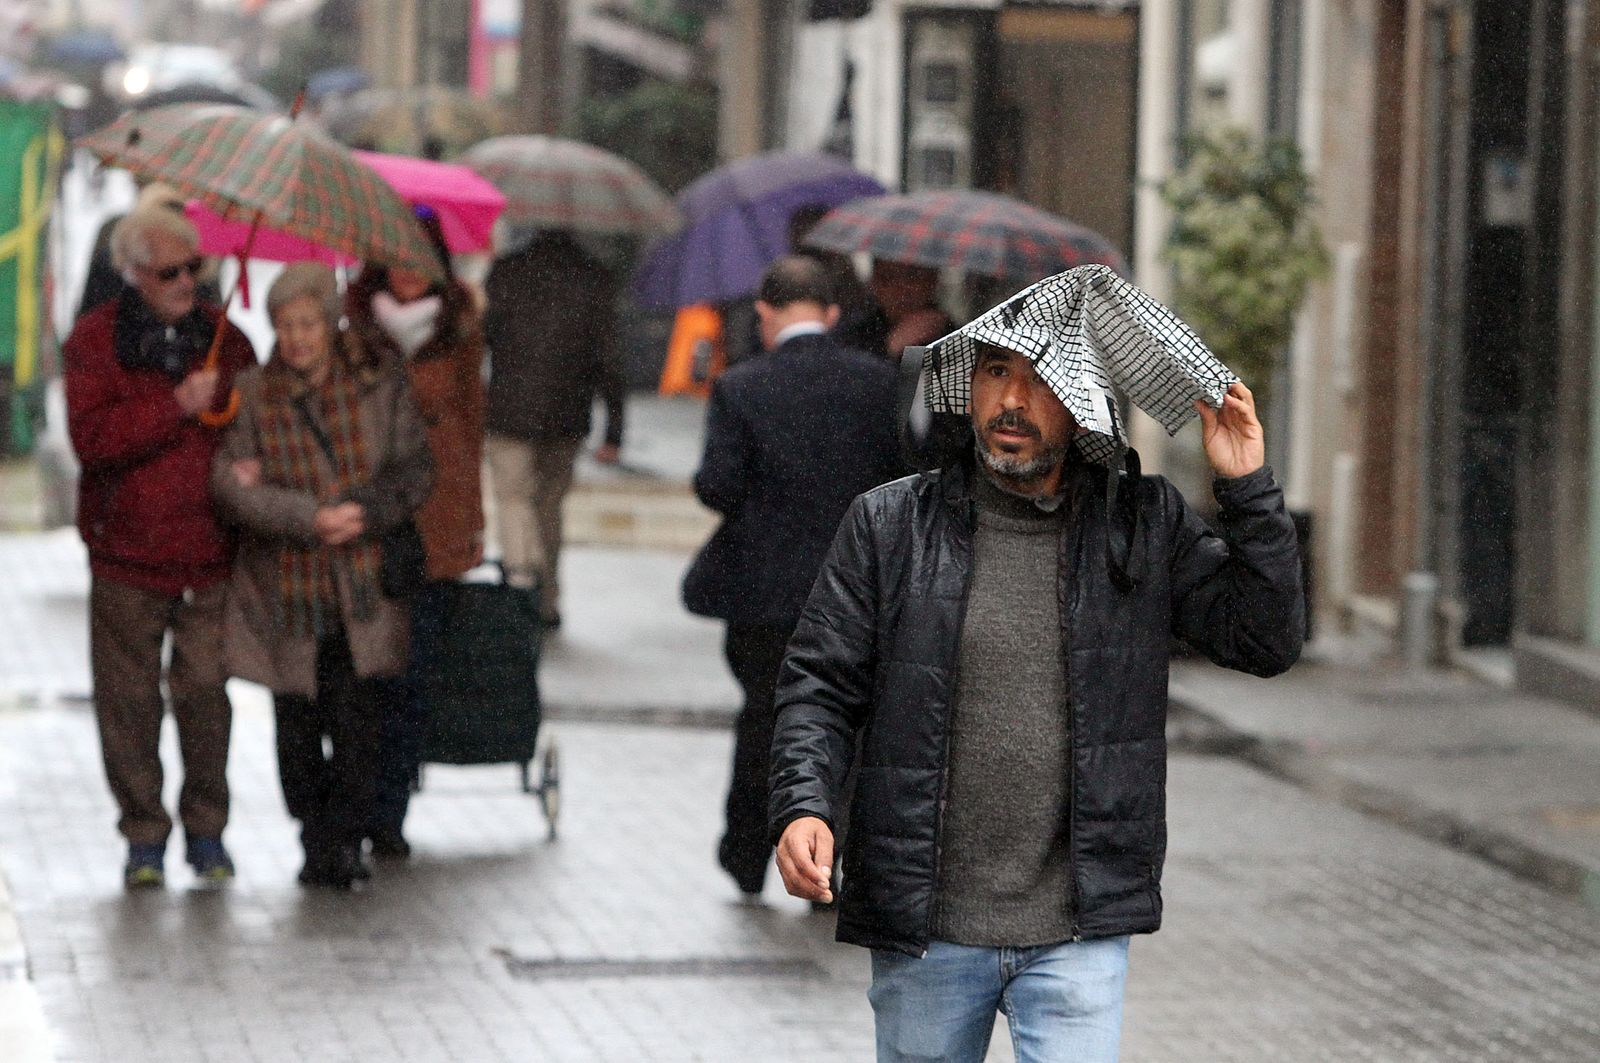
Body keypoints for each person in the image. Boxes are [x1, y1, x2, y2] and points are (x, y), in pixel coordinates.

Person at [770, 328, 1304, 1055]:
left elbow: (1265, 640)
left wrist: (1247, 489)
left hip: (1077, 927)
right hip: (925, 923)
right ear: (969, 389)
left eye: (1042, 378)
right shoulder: (890, 525)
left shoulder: (1141, 524)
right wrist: (803, 804)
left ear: (1084, 402)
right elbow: (820, 685)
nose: (1013, 400)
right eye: (996, 371)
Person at [684, 255, 903, 900]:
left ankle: (748, 854)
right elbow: (900, 479)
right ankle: (830, 864)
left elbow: (718, 486)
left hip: (764, 590)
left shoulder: (741, 385)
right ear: (831, 313)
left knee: (765, 718)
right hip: (856, 589)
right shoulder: (878, 382)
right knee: (848, 725)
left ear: (764, 312)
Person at [211, 262, 434, 890]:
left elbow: (416, 469)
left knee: (360, 726)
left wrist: (364, 512)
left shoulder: (379, 384)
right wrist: (307, 517)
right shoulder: (254, 394)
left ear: (331, 324)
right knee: (298, 730)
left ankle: (342, 840)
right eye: (285, 326)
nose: (298, 338)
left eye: (309, 324)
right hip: (289, 591)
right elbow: (228, 485)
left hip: (364, 588)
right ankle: (316, 837)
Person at [64, 205, 256, 889]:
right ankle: (143, 834)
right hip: (126, 555)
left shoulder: (226, 339)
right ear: (134, 272)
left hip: (208, 554)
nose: (185, 282)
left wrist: (251, 459)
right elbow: (93, 440)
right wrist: (175, 405)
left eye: (193, 268)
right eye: (170, 271)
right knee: (128, 703)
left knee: (205, 695)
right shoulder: (94, 340)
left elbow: (256, 417)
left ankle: (207, 829)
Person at [346, 208, 485, 859]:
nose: (407, 269)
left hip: (437, 522)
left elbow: (472, 428)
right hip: (369, 521)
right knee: (362, 678)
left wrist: (473, 524)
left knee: (414, 679)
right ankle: (352, 805)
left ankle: (389, 813)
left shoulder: (460, 327)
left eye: (419, 255)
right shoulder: (353, 327)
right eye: (396, 254)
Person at [483, 231, 624, 628]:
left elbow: (483, 336)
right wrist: (614, 430)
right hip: (567, 414)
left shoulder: (507, 271)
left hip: (509, 410)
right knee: (549, 507)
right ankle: (547, 598)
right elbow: (610, 359)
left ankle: (520, 582)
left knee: (513, 498)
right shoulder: (594, 277)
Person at [869, 258, 955, 358]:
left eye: (911, 277)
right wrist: (891, 348)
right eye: (889, 278)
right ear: (875, 284)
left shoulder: (955, 339)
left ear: (932, 280)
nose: (901, 290)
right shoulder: (860, 334)